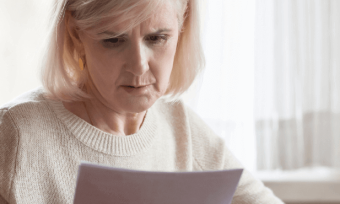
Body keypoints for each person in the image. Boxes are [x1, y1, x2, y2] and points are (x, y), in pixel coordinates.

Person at [0, 0, 283, 203]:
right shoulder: (16, 132)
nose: (138, 66)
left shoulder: (181, 126)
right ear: (77, 35)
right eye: (113, 40)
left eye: (157, 38)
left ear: (181, 28)